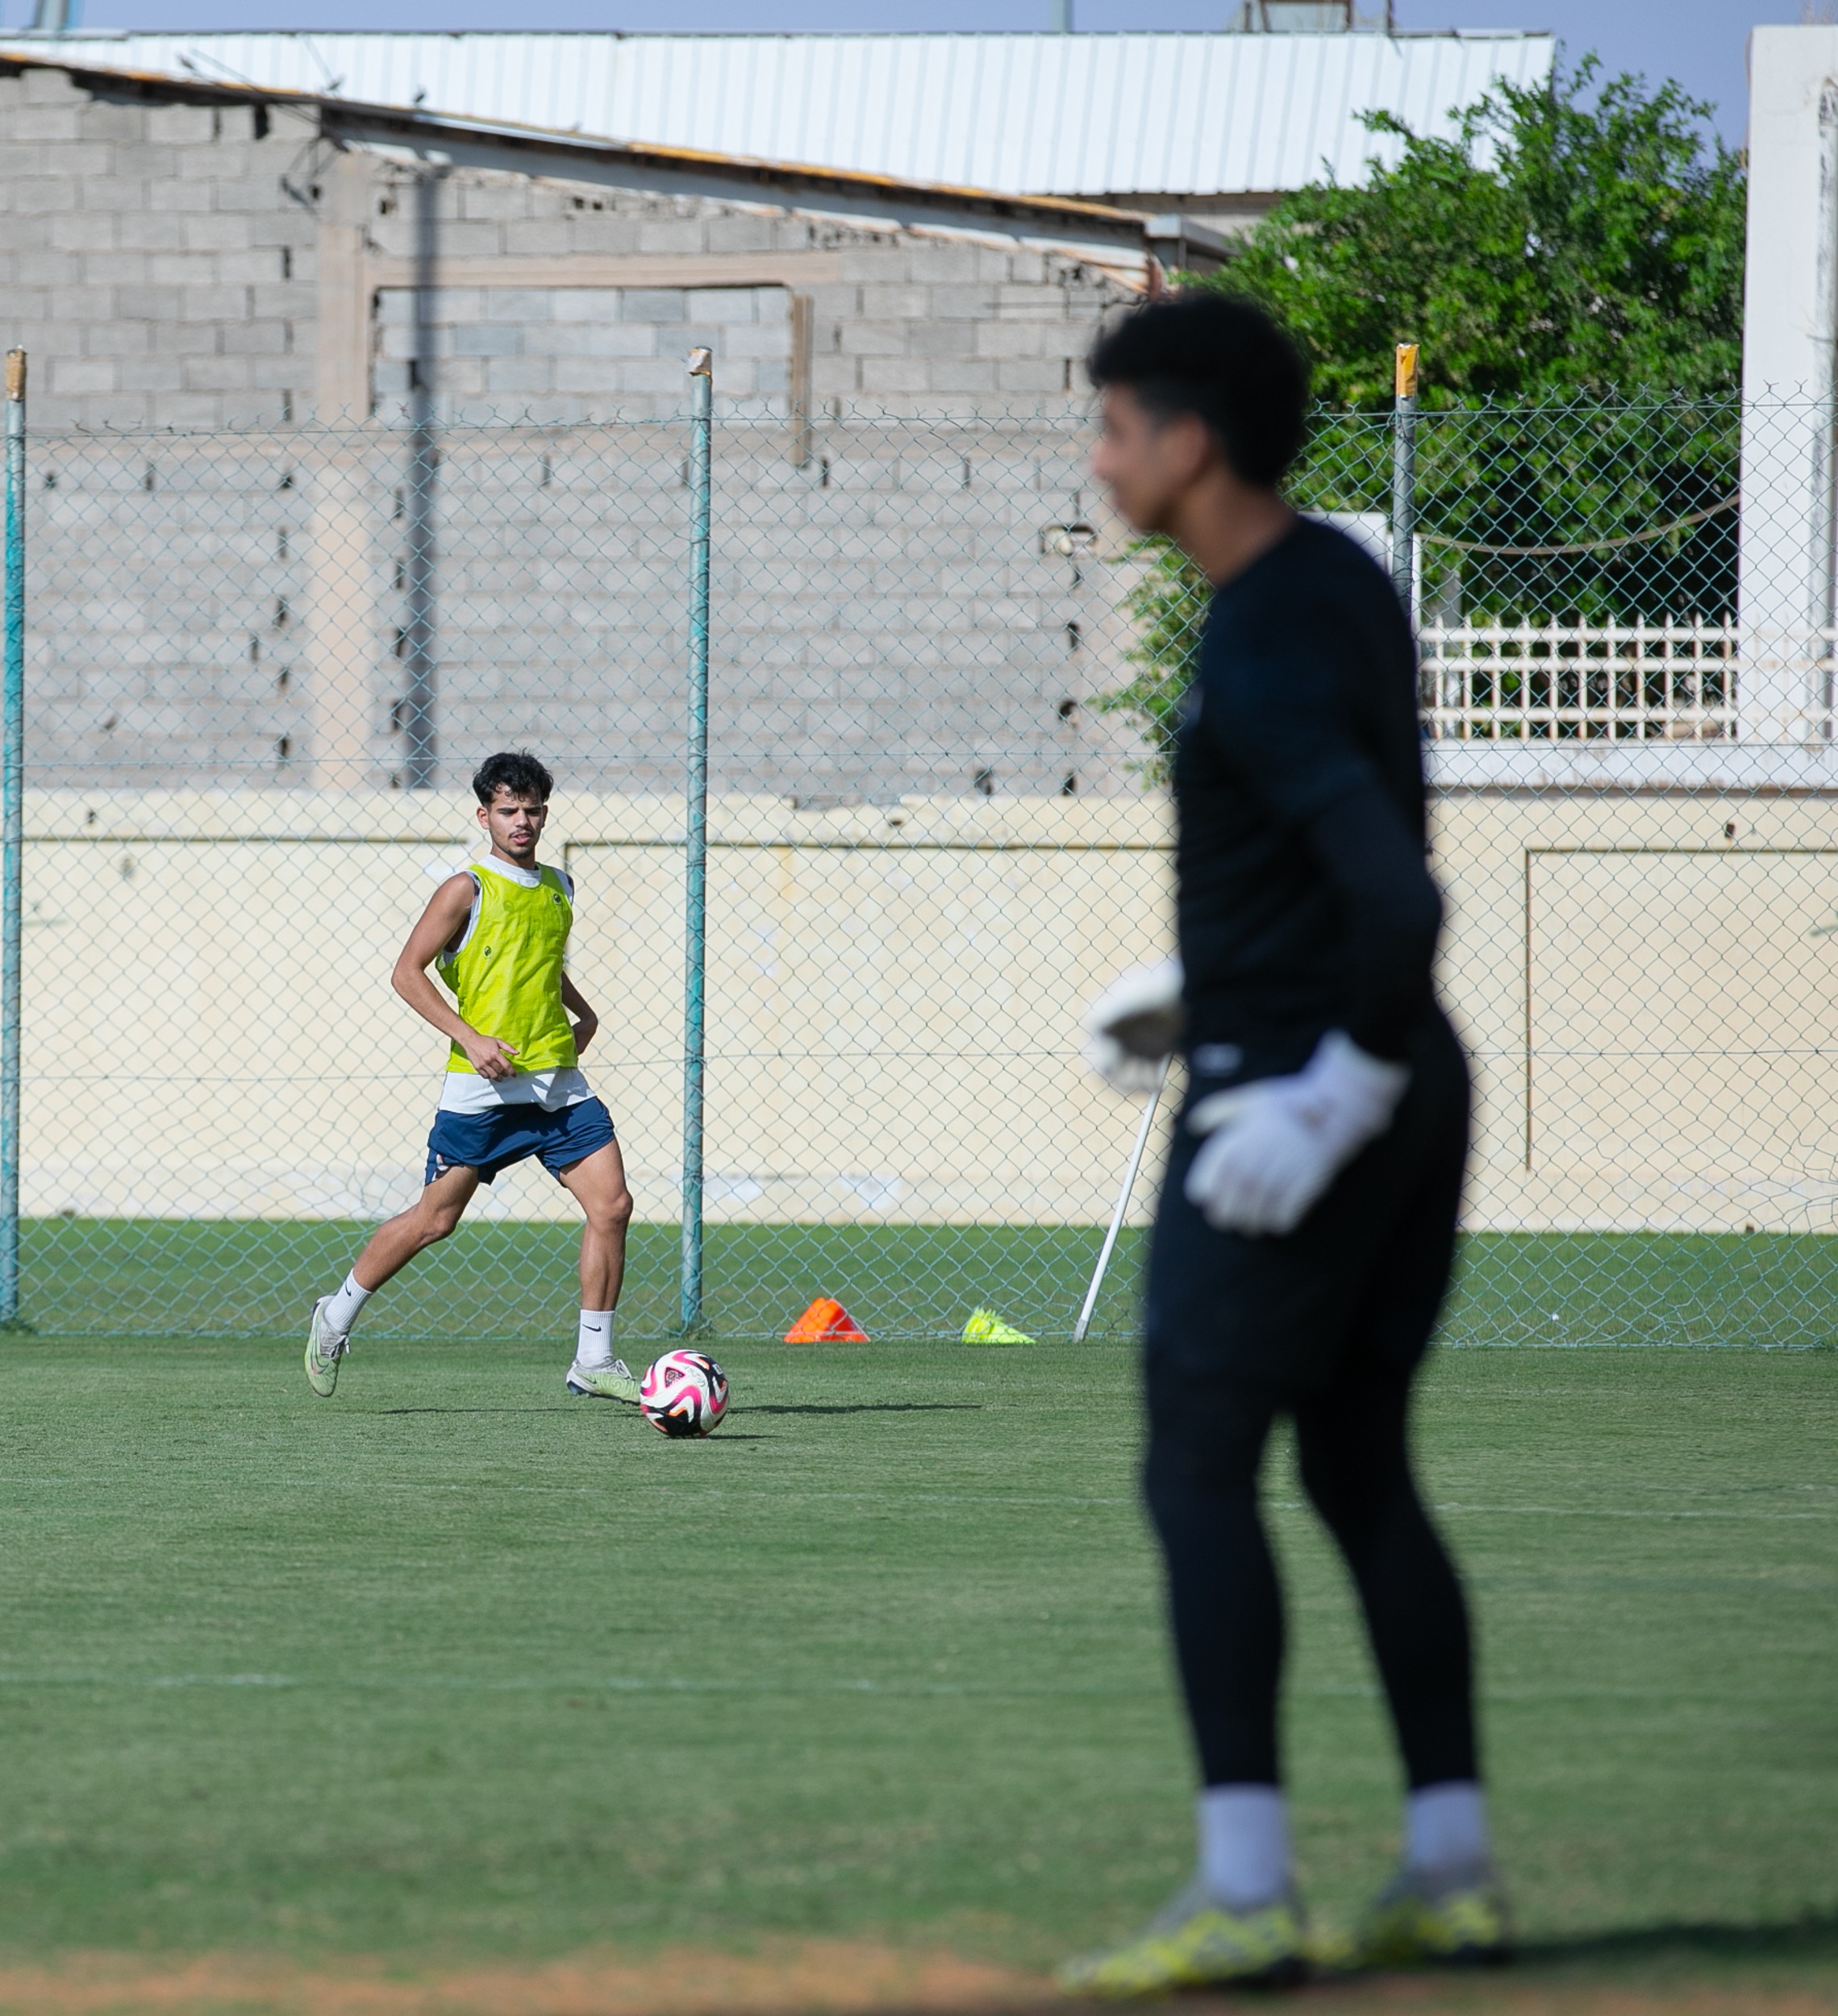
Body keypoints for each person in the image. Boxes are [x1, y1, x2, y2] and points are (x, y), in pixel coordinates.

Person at [1061, 295, 1506, 1996]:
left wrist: (1328, 1082)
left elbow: (1396, 892)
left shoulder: (1252, 630)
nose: (1098, 458)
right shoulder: (1331, 582)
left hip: (1306, 1098)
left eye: (1110, 426)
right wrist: (1206, 981)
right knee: (1353, 1467)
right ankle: (1446, 1869)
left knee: (1194, 1465)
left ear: (1186, 440)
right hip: (1355, 1059)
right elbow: (1337, 861)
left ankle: (1243, 1887)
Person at [304, 751, 638, 1404]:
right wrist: (470, 1036)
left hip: (557, 1084)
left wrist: (584, 1013)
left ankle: (592, 1359)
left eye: (533, 810)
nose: (522, 821)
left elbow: (536, 963)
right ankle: (335, 1314)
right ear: (483, 814)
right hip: (481, 1088)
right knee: (435, 1221)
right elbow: (407, 973)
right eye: (509, 810)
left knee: (613, 1206)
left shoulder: (560, 887)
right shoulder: (467, 888)